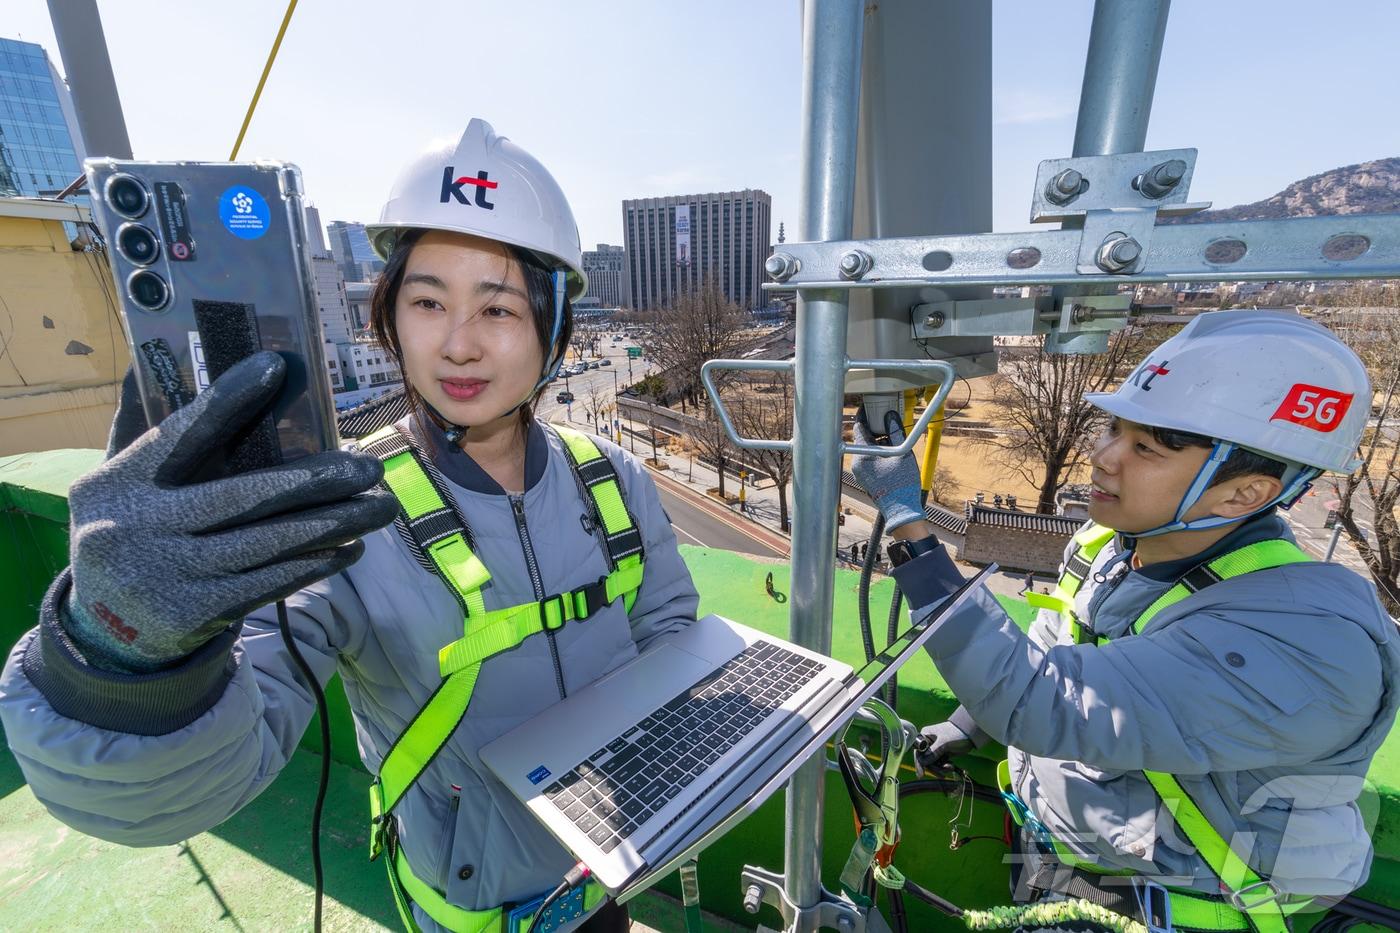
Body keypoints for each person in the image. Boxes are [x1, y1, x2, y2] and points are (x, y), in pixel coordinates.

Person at [0, 119, 699, 933]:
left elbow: (668, 629)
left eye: (499, 308)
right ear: (389, 319)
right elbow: (189, 781)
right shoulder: (339, 512)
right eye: (428, 301)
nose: (460, 344)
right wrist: (125, 656)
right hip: (471, 910)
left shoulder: (612, 478)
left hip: (607, 876)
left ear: (552, 329)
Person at [851, 310, 1400, 933]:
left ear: (1244, 493)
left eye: (1146, 447)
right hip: (1064, 864)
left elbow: (1041, 699)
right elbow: (1060, 651)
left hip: (1178, 910)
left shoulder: (1304, 639)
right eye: (1114, 428)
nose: (1104, 457)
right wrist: (967, 725)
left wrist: (909, 525)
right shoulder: (1108, 546)